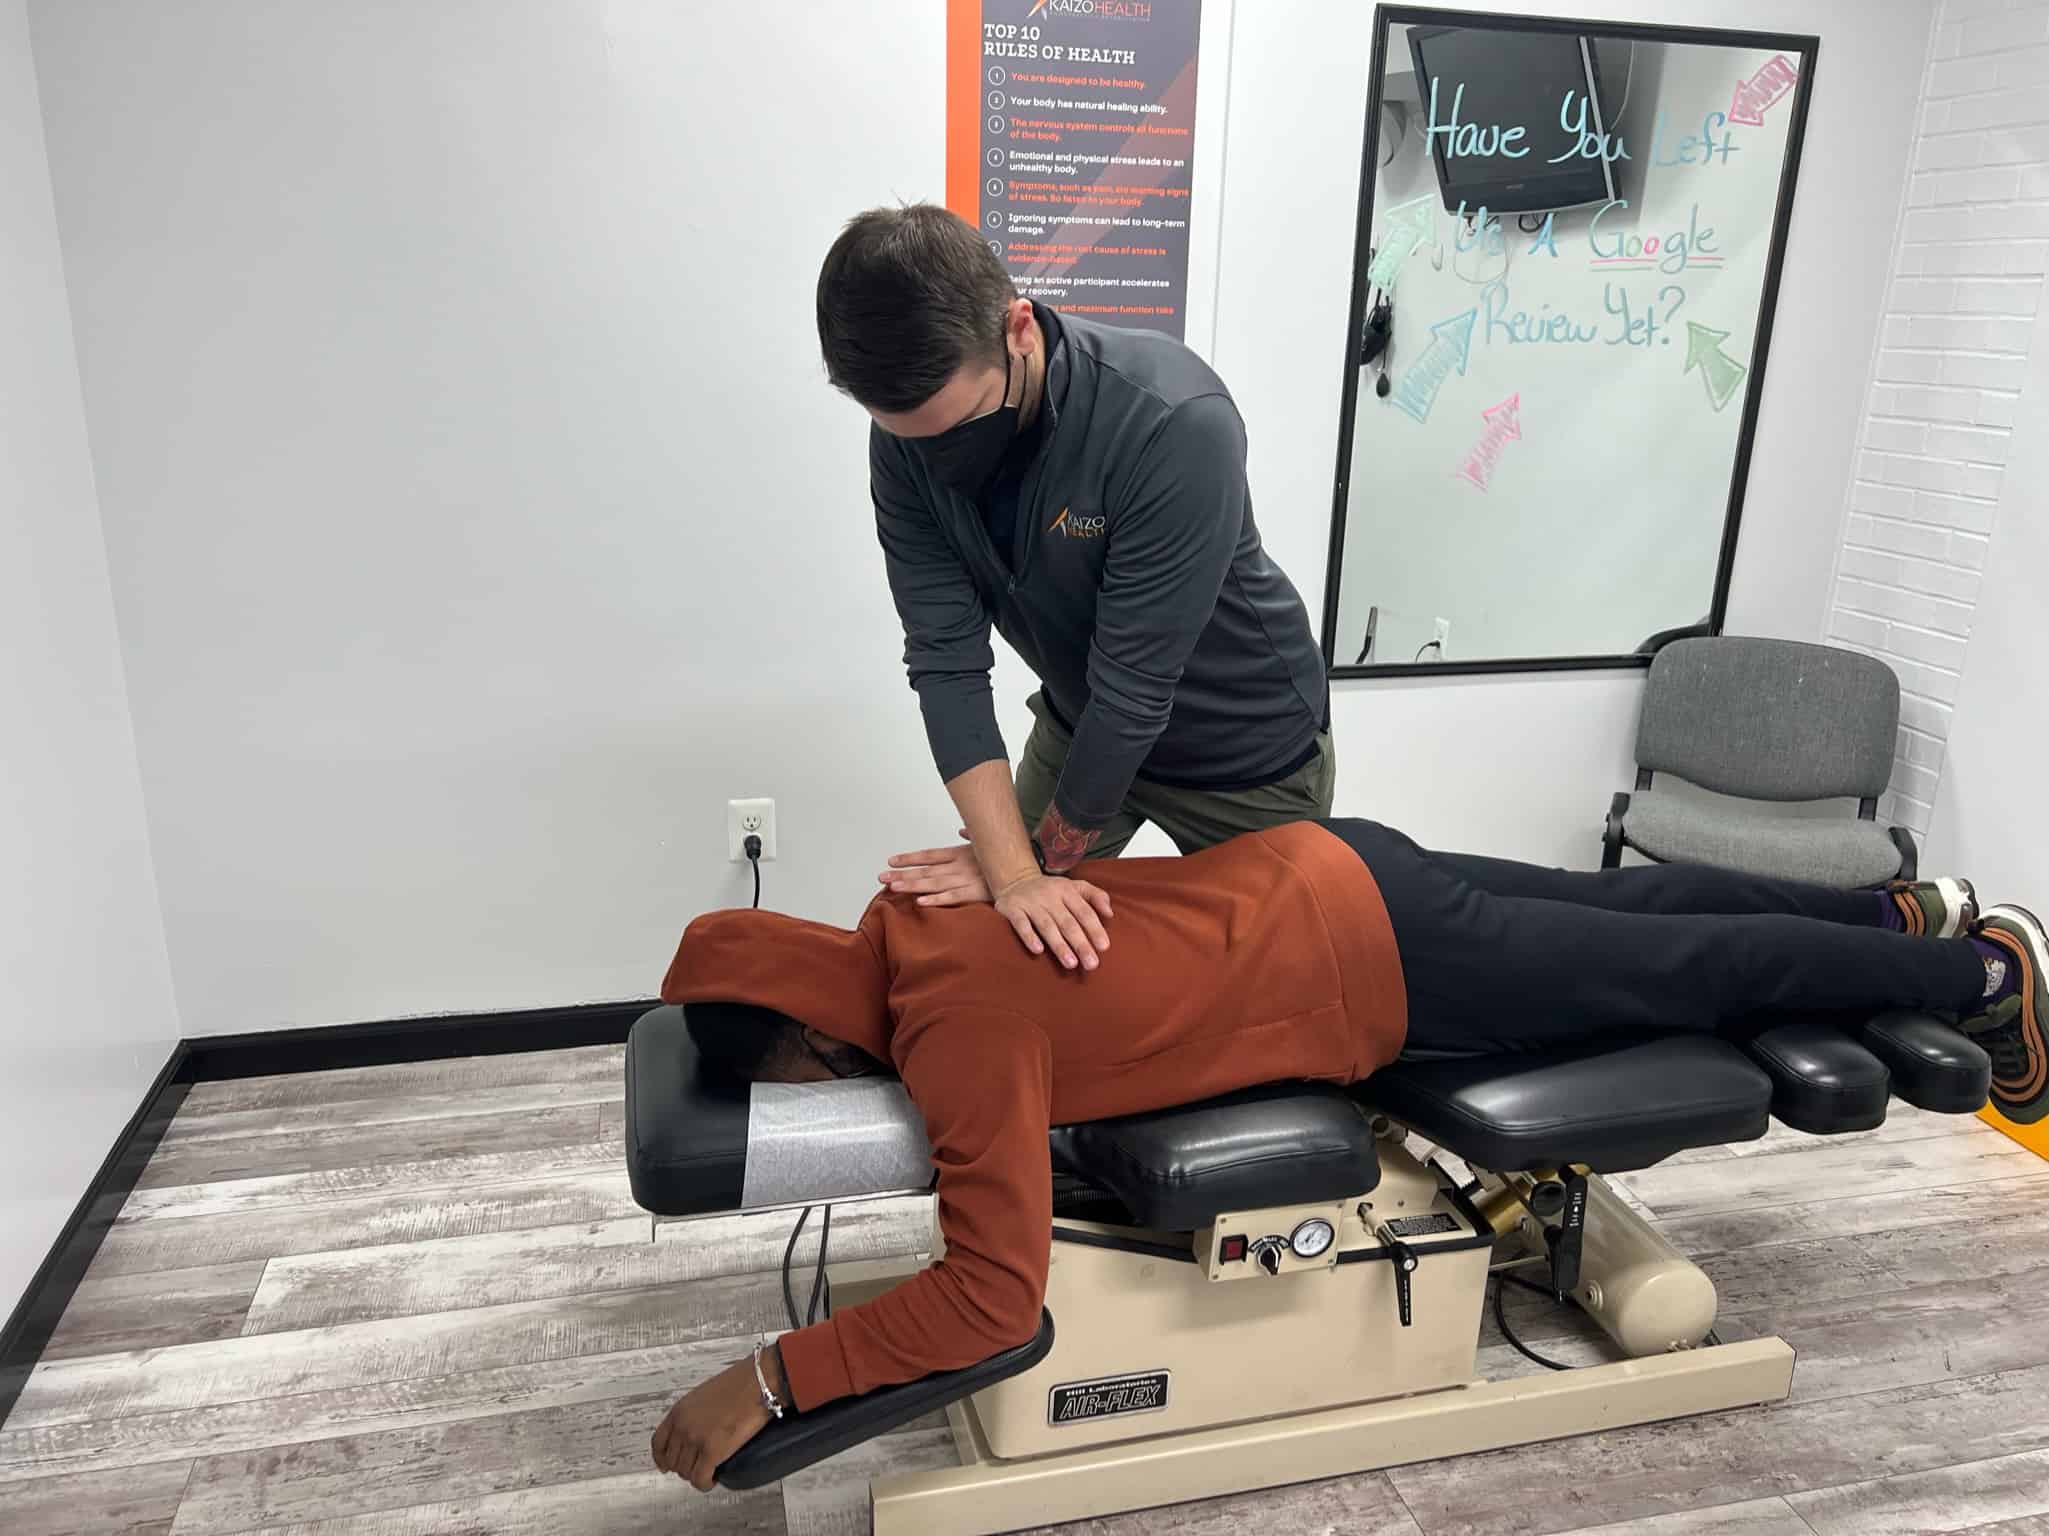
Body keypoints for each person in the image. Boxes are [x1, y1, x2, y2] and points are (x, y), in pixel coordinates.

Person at [646, 818, 2044, 1489]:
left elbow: (991, 1298)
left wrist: (777, 1372)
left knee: (1686, 966)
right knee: (1639, 911)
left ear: (808, 1038)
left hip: (1376, 966)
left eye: (784, 1070)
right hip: (1328, 864)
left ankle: (1975, 976)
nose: (813, 1087)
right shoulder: (917, 899)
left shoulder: (951, 1026)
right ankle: (1884, 909)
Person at [816, 204, 1332, 974]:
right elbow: (945, 661)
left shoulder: (1172, 421)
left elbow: (1135, 691)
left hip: (1243, 753)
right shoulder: (906, 435)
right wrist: (1013, 873)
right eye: (910, 438)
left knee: (1267, 984)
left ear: (1018, 328)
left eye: (957, 430)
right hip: (1081, 720)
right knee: (999, 946)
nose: (940, 462)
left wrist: (1027, 867)